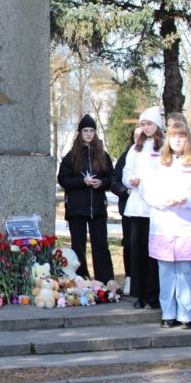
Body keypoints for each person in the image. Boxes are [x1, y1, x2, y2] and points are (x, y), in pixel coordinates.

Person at [141, 122, 191, 329]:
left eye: (181, 137)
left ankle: (186, 314)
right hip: (163, 225)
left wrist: (187, 199)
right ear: (168, 140)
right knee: (165, 272)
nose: (178, 141)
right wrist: (164, 201)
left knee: (183, 272)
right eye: (173, 137)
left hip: (186, 225)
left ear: (187, 139)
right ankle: (168, 313)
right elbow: (146, 191)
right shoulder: (157, 164)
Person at [58, 114, 114, 281]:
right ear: (80, 133)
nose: (89, 134)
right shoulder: (71, 156)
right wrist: (82, 182)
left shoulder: (103, 155)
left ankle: (105, 280)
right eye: (85, 131)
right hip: (76, 208)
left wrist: (101, 183)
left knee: (101, 245)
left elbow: (111, 178)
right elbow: (63, 179)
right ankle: (80, 280)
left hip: (97, 208)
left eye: (91, 131)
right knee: (78, 246)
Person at [121, 106, 164, 309]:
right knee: (137, 251)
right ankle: (140, 294)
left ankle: (153, 294)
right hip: (138, 206)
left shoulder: (163, 147)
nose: (146, 128)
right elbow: (127, 170)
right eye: (143, 124)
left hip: (155, 206)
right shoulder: (135, 148)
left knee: (153, 253)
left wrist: (146, 182)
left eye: (149, 124)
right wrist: (131, 180)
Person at [111, 126, 142, 295]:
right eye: (135, 135)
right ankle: (130, 278)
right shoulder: (126, 156)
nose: (138, 138)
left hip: (147, 209)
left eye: (141, 135)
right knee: (129, 244)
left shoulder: (153, 154)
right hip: (129, 208)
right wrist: (125, 191)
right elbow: (114, 181)